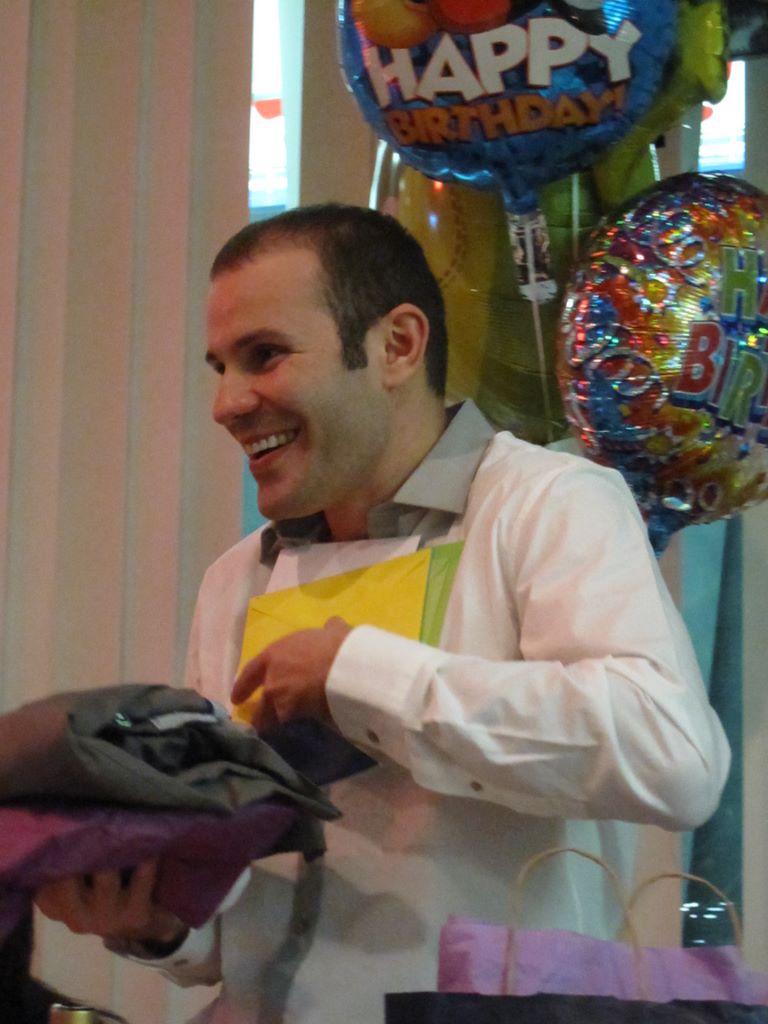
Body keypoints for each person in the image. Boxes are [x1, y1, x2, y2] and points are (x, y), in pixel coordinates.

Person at [35, 204, 730, 1023]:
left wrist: (359, 673)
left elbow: (673, 756)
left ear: (397, 345)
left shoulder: (548, 504)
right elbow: (251, 931)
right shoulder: (234, 580)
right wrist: (160, 925)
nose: (226, 402)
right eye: (220, 366)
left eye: (264, 355)